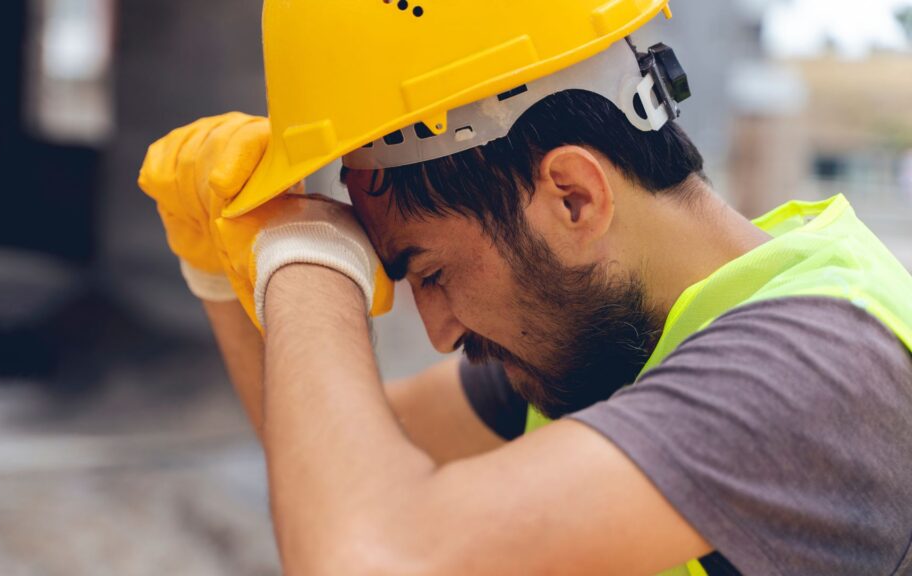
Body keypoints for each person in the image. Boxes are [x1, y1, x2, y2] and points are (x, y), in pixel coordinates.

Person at [138, 2, 912, 574]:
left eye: (431, 272)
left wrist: (305, 252)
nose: (437, 331)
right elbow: (323, 472)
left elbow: (368, 554)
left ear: (573, 196)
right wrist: (217, 264)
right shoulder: (619, 341)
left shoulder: (813, 366)